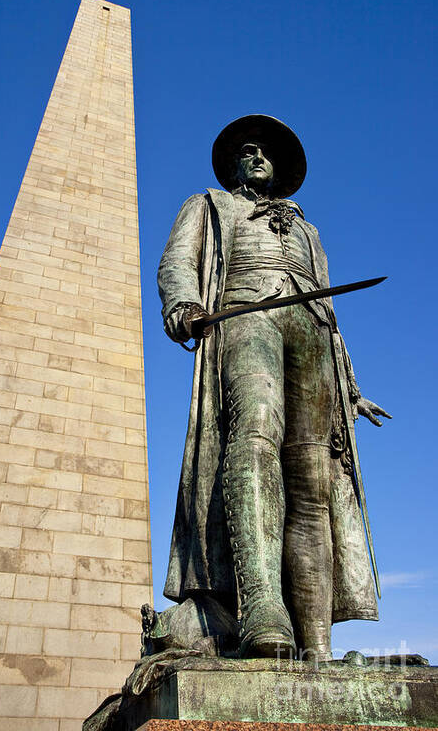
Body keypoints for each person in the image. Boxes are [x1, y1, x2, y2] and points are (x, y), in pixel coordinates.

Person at [157, 114, 391, 662]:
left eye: (265, 152)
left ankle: (317, 645)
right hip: (246, 313)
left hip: (310, 330)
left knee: (313, 478)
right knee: (255, 431)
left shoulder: (307, 230)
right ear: (234, 163)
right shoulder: (209, 205)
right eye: (247, 150)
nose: (256, 156)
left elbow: (329, 306)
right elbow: (177, 260)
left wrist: (349, 385)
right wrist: (183, 304)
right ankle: (263, 608)